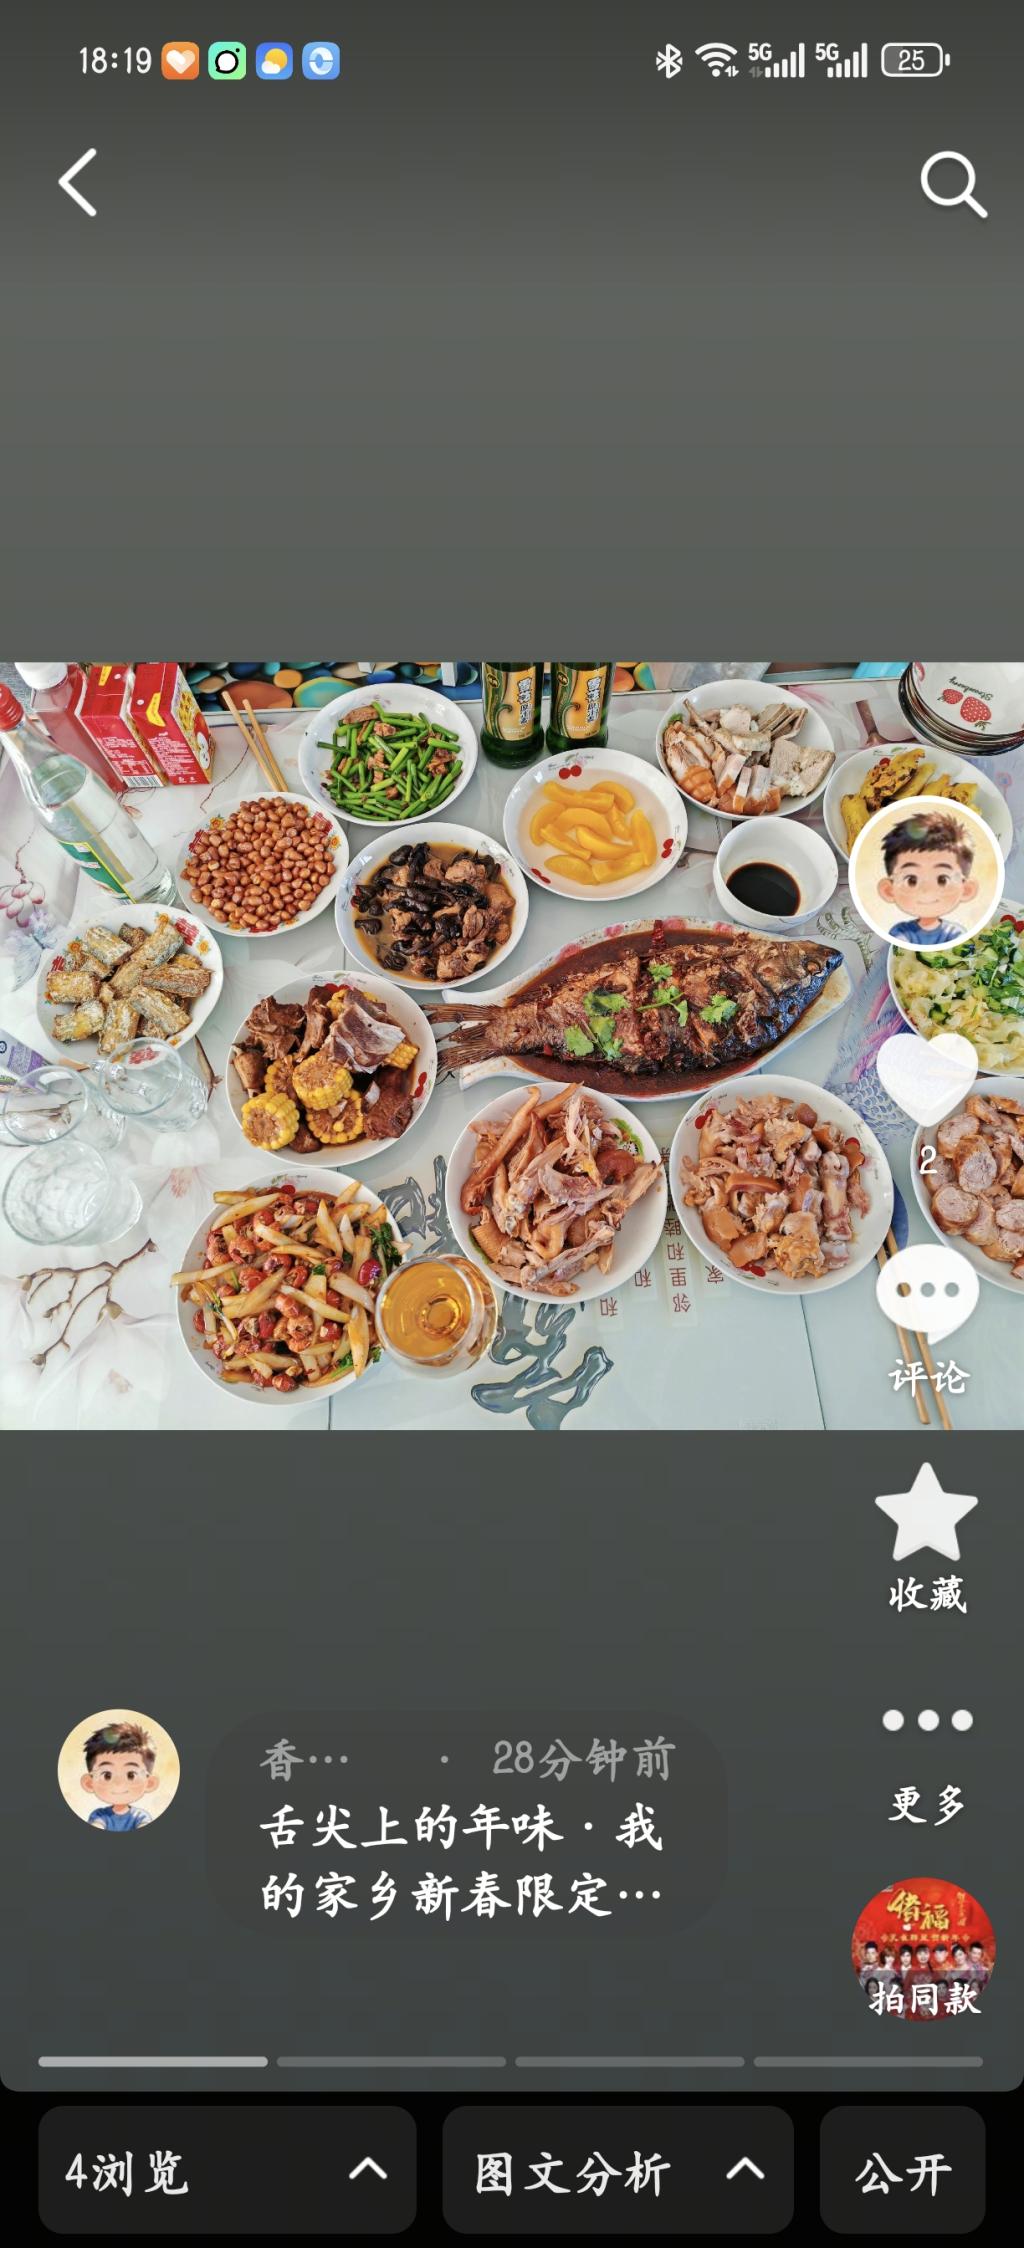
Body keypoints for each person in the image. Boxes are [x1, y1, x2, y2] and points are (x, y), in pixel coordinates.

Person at [876, 809, 979, 945]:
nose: (926, 891)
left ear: (966, 889)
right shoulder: (900, 931)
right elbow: (898, 947)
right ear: (888, 890)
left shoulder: (955, 932)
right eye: (911, 880)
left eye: (942, 880)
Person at [80, 1720, 159, 1830]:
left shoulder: (141, 1816)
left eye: (131, 1775)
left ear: (149, 1783)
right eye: (107, 1775)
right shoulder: (99, 1815)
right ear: (89, 1783)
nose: (119, 1783)